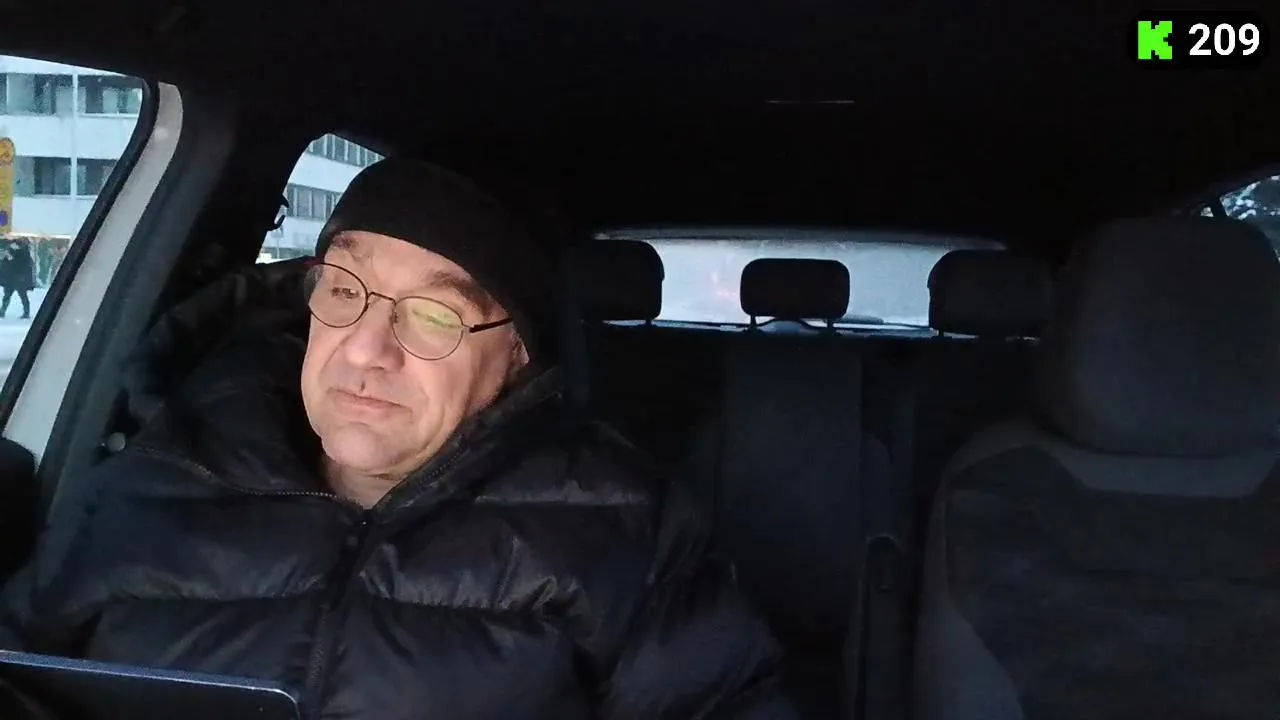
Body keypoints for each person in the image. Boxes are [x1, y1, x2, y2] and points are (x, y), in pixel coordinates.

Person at [0, 158, 798, 720]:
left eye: (434, 315)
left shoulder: (624, 532)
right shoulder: (153, 474)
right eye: (347, 289)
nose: (365, 351)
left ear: (516, 356)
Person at [0, 238, 34, 319]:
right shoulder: (15, 251)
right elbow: (6, 263)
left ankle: (26, 313)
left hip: (18, 278)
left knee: (22, 296)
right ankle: (2, 312)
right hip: (11, 278)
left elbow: (22, 264)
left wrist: (10, 257)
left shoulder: (24, 252)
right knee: (8, 296)